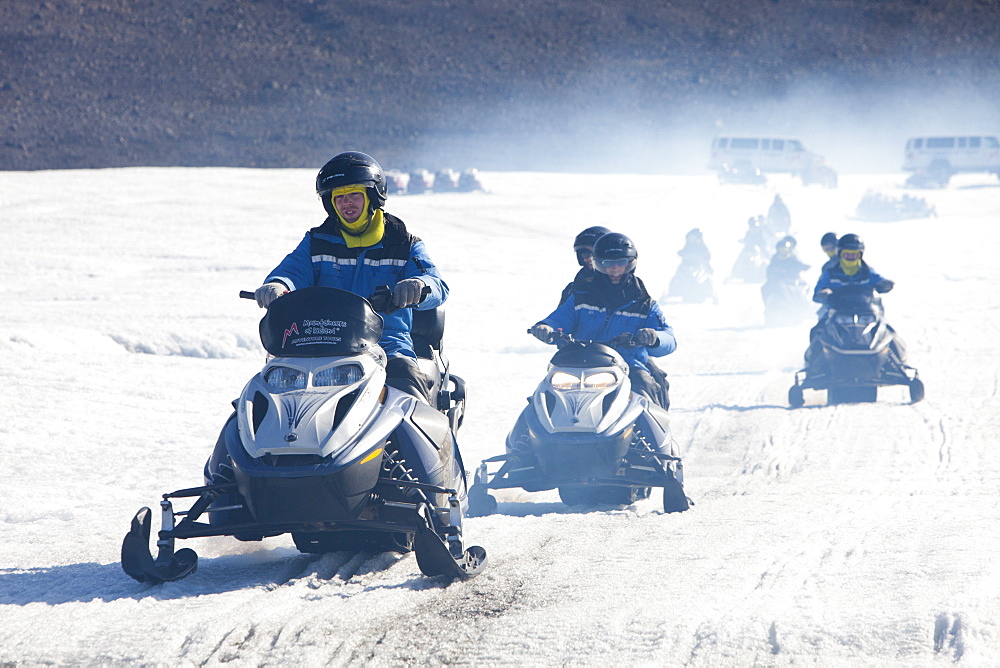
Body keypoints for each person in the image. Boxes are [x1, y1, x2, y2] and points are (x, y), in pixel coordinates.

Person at [253, 151, 447, 401]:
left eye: (354, 195)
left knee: (411, 404)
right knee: (261, 401)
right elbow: (291, 272)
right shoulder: (316, 242)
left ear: (372, 196)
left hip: (387, 347)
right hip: (321, 344)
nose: (347, 203)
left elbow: (437, 285)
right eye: (339, 197)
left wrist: (418, 286)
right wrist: (277, 286)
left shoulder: (404, 244)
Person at [530, 233, 676, 408]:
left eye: (621, 263)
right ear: (598, 264)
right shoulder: (580, 297)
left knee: (644, 390)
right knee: (542, 400)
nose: (615, 269)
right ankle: (525, 435)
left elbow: (669, 339)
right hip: (576, 364)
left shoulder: (644, 304)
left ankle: (650, 435)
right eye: (608, 263)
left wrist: (654, 337)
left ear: (631, 264)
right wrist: (545, 327)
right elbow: (559, 318)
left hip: (627, 367)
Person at [804, 233, 895, 369]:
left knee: (888, 331)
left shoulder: (867, 271)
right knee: (818, 330)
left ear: (860, 255)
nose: (851, 258)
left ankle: (896, 364)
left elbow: (879, 280)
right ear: (840, 254)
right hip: (836, 312)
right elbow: (818, 290)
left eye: (854, 255)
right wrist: (823, 293)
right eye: (847, 255)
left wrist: (885, 284)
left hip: (866, 312)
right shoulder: (830, 272)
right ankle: (813, 367)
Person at [559, 225, 611, 305]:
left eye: (595, 253)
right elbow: (559, 316)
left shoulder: (630, 288)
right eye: (585, 253)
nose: (590, 258)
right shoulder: (572, 290)